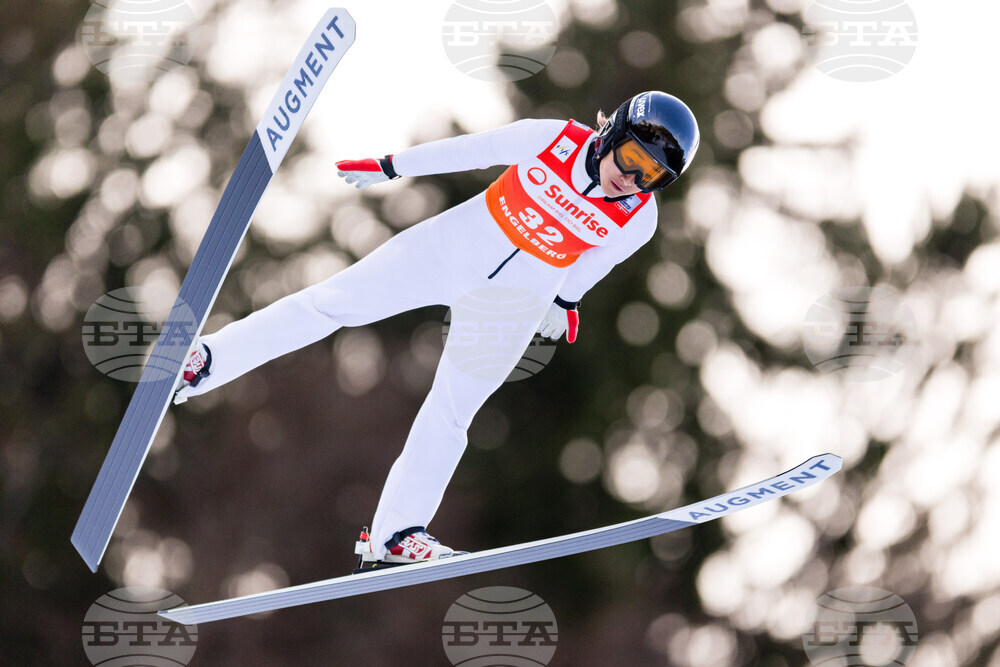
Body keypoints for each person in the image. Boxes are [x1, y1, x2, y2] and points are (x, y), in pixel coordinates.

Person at [173, 91, 700, 569]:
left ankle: (397, 534)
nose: (631, 180)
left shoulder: (639, 217)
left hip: (511, 305)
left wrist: (565, 301)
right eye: (632, 159)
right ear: (612, 134)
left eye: (650, 176)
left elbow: (595, 262)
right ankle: (206, 361)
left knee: (452, 410)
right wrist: (393, 166)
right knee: (330, 304)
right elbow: (471, 151)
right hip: (447, 251)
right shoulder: (553, 139)